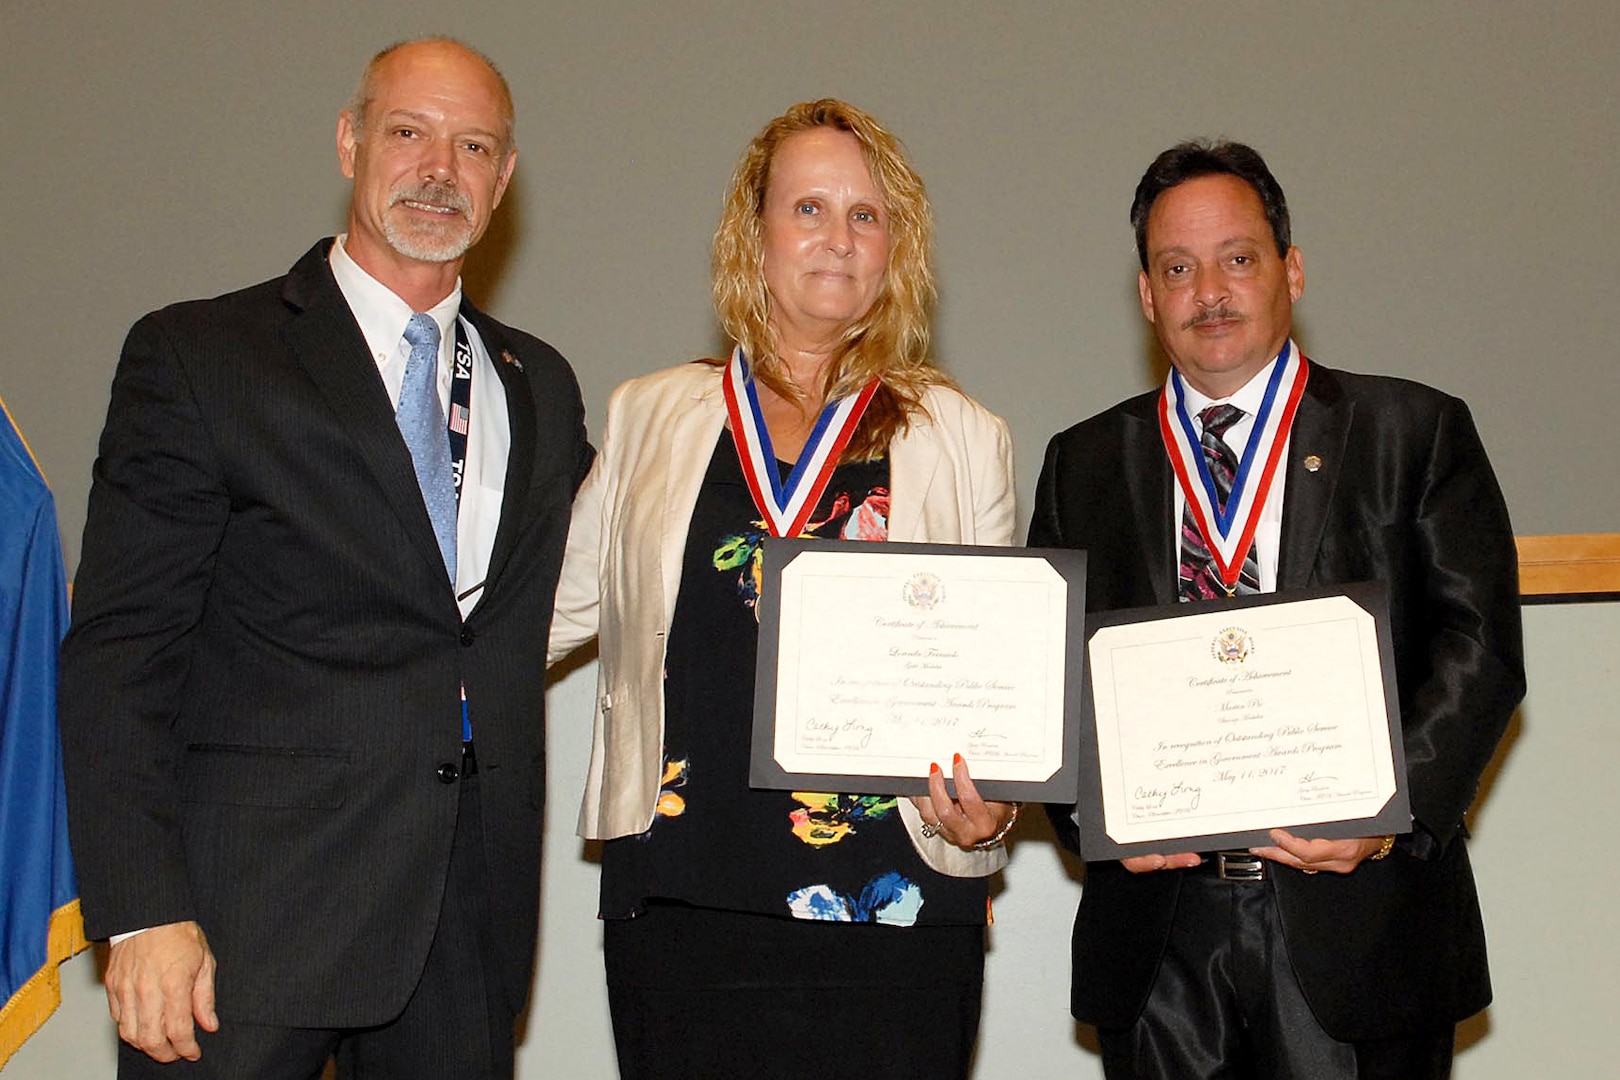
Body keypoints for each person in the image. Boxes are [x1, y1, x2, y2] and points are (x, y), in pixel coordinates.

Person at [58, 38, 592, 1079]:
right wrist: (138, 911)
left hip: (464, 932)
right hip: (241, 930)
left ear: (504, 178)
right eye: (409, 132)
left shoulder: (543, 385)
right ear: (350, 143)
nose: (440, 168)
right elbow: (120, 654)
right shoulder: (201, 357)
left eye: (473, 144)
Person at [1030, 140, 1525, 1079]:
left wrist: (1387, 813)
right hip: (1159, 940)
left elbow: (1480, 647)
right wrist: (1099, 813)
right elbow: (1050, 681)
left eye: (1238, 258)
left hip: (1358, 927)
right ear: (1146, 294)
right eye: (1177, 268)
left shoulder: (1412, 432)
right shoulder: (1082, 463)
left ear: (1291, 270)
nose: (1208, 290)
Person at [548, 98, 1018, 1078]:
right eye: (808, 209)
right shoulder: (652, 416)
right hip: (682, 896)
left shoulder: (965, 435)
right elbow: (542, 614)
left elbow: (998, 687)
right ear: (754, 235)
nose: (837, 238)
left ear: (898, 243)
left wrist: (997, 808)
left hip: (899, 900)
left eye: (865, 213)